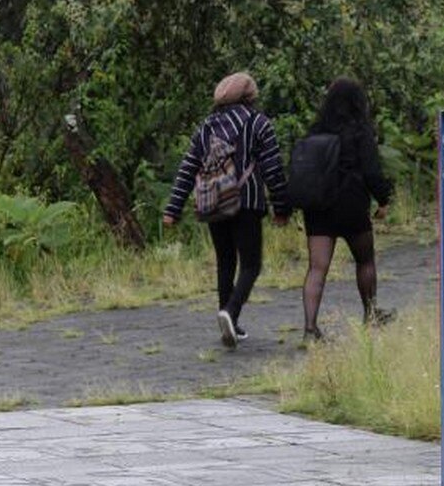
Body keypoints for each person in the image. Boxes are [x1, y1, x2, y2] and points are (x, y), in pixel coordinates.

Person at [163, 71, 290, 349]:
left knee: (225, 261)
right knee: (251, 264)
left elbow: (188, 168)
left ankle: (228, 323)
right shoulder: (258, 123)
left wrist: (173, 209)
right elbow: (272, 168)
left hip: (213, 201)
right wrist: (282, 207)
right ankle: (230, 313)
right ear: (250, 96)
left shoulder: (206, 127)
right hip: (246, 201)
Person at [302, 76, 394, 342]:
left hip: (318, 207)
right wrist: (383, 199)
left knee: (316, 268)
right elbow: (371, 170)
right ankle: (370, 313)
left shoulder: (315, 131)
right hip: (351, 203)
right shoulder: (360, 131)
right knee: (365, 259)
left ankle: (310, 328)